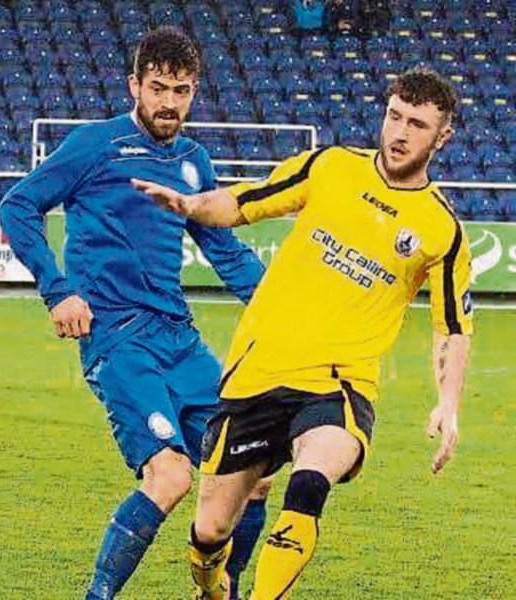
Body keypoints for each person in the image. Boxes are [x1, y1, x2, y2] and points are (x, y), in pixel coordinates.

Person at [133, 66, 473, 599]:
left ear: (442, 136)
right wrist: (193, 205)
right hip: (258, 372)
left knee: (310, 481)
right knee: (209, 532)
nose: (401, 133)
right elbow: (247, 200)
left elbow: (452, 327)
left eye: (418, 124)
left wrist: (448, 403)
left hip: (339, 383)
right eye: (395, 117)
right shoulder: (331, 166)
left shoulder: (441, 229)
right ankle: (212, 589)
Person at [0, 26, 270, 600]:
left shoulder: (194, 163)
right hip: (119, 339)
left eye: (182, 90)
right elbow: (18, 206)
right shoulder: (95, 145)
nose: (169, 102)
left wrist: (283, 309)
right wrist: (58, 290)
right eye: (158, 88)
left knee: (256, 472)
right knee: (171, 476)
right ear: (134, 86)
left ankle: (222, 590)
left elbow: (225, 251)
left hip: (180, 339)